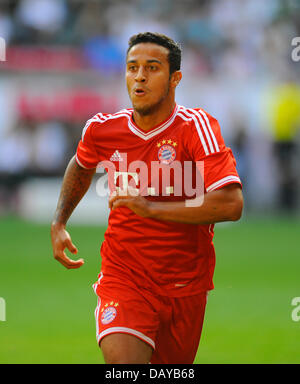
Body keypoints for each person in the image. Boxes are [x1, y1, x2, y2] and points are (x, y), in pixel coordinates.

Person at [50, 32, 243, 364]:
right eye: (132, 67)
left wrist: (151, 208)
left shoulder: (196, 127)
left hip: (186, 284)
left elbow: (230, 204)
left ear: (175, 78)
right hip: (124, 275)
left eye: (152, 67)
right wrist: (59, 221)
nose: (139, 76)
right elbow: (81, 165)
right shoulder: (102, 129)